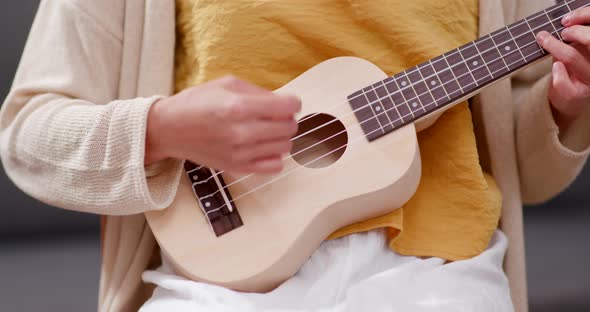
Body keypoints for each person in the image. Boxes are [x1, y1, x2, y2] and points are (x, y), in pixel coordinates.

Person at [1, 0, 589, 311]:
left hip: (444, 271)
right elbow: (28, 136)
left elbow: (525, 175)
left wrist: (562, 107)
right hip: (218, 283)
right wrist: (163, 127)